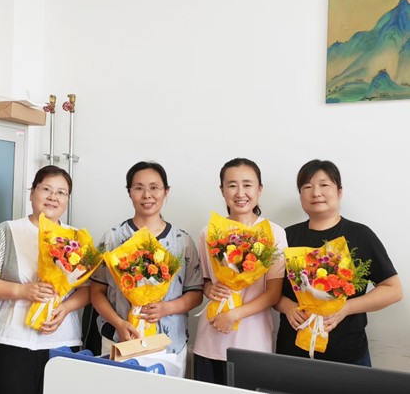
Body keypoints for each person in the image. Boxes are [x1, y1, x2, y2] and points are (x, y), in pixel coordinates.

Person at [275, 159, 403, 366]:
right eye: (307, 187)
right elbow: (270, 291)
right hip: (292, 351)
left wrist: (346, 308)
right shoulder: (285, 236)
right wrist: (287, 306)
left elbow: (393, 289)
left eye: (324, 185)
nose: (316, 193)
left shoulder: (361, 234)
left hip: (348, 353)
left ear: (340, 191)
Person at [90, 161, 204, 378]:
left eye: (154, 187)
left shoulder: (182, 241)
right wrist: (119, 323)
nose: (147, 195)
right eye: (138, 188)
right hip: (119, 340)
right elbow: (96, 292)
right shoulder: (112, 237)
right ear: (129, 192)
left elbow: (196, 293)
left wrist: (166, 308)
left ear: (166, 191)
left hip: (169, 345)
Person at [0, 165, 89, 394]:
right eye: (46, 189)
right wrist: (22, 291)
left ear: (67, 199)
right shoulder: (7, 231)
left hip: (62, 339)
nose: (53, 197)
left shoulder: (76, 238)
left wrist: (65, 308)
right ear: (32, 193)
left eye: (61, 192)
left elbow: (87, 289)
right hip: (13, 338)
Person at [192, 158, 287, 385]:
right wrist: (209, 288)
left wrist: (234, 315)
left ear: (259, 189)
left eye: (247, 185)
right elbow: (205, 281)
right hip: (210, 340)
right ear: (222, 190)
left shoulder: (274, 233)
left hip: (253, 342)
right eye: (232, 185)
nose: (240, 193)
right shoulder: (209, 232)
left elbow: (273, 293)